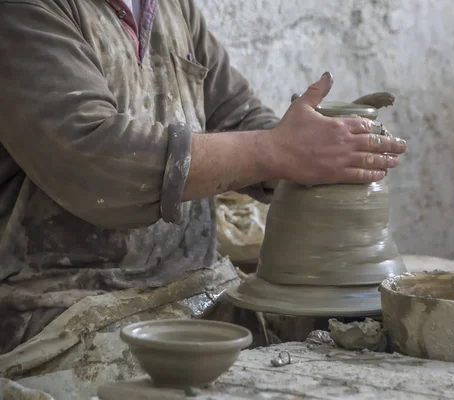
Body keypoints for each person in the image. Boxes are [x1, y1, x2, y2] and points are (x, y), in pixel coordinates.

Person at [0, 0, 407, 354]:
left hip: (194, 290)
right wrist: (276, 152)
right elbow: (98, 162)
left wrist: (322, 150)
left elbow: (239, 116)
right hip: (63, 309)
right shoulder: (24, 11)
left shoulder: (173, 8)